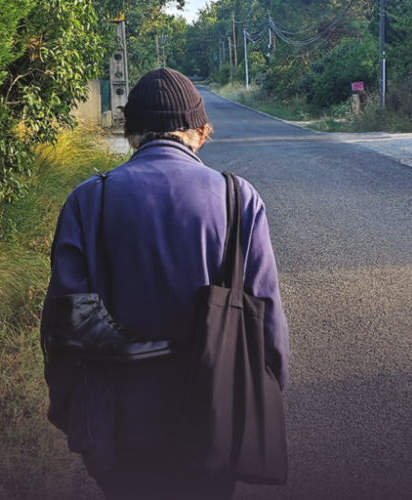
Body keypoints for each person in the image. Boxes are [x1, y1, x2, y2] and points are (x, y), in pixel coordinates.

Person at [40, 67, 290, 500]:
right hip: (214, 425)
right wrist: (257, 400)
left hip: (118, 429)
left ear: (129, 133)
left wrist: (77, 419)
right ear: (201, 131)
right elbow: (267, 323)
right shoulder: (239, 198)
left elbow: (61, 331)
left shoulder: (88, 200)